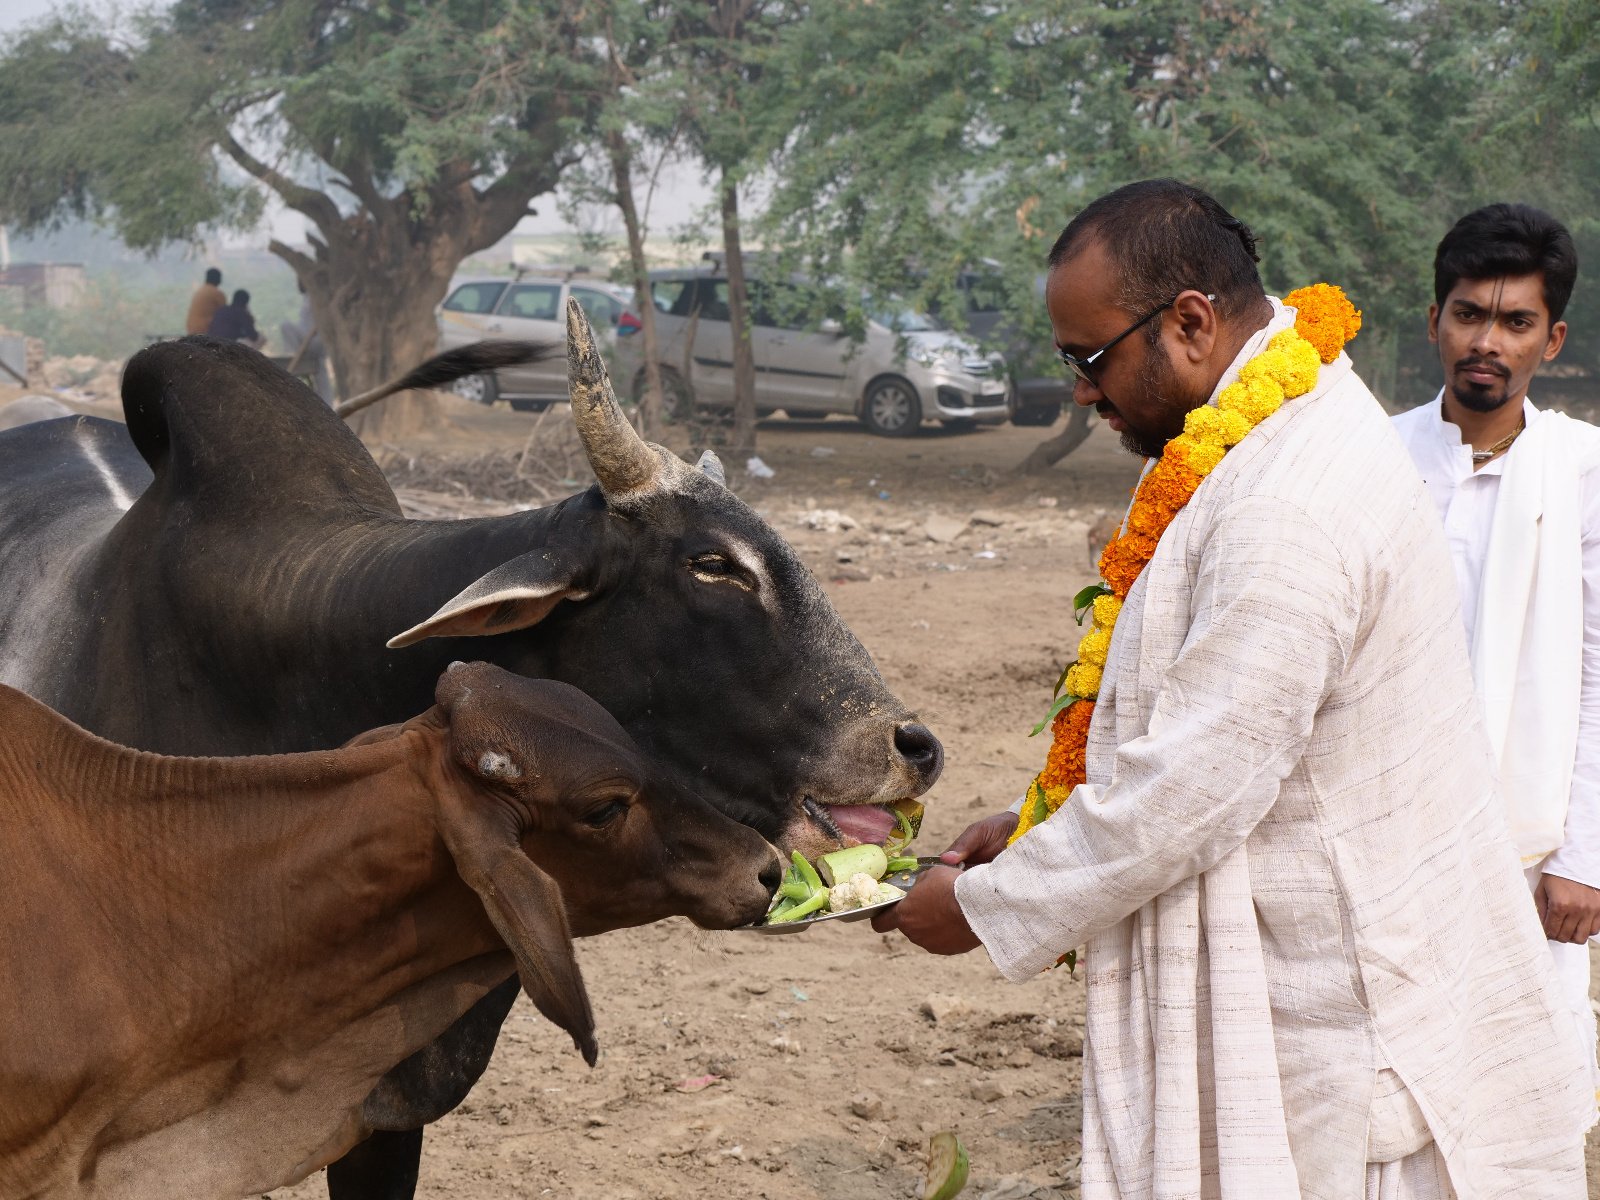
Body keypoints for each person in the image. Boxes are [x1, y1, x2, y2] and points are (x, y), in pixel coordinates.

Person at [874, 179, 1588, 1197]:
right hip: (1346, 974)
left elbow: (1187, 792)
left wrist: (985, 907)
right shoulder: (1297, 414)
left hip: (1348, 1021)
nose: (1082, 391)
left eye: (1089, 359)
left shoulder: (1286, 506)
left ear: (1193, 323)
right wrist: (1038, 821)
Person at [1392, 204, 1600, 1106]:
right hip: (1382, 828)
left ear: (1550, 340)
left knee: (1519, 1092)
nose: (1489, 340)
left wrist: (1586, 857)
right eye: (1470, 314)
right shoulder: (1372, 456)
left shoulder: (1586, 472)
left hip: (1526, 847)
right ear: (1434, 321)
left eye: (1516, 322)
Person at [185, 267, 226, 336]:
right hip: (204, 331)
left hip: (191, 329)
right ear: (217, 279)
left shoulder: (200, 290)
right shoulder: (217, 293)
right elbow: (225, 314)